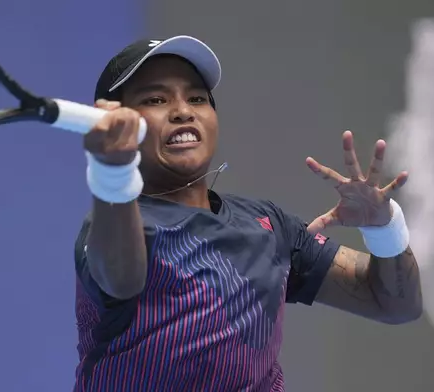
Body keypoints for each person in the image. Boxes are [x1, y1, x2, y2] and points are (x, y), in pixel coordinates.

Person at [73, 36, 422, 392]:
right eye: (155, 99)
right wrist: (112, 172)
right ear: (114, 123)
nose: (182, 110)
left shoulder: (268, 225)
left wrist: (384, 226)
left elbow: (395, 304)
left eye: (197, 98)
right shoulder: (114, 227)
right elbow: (120, 276)